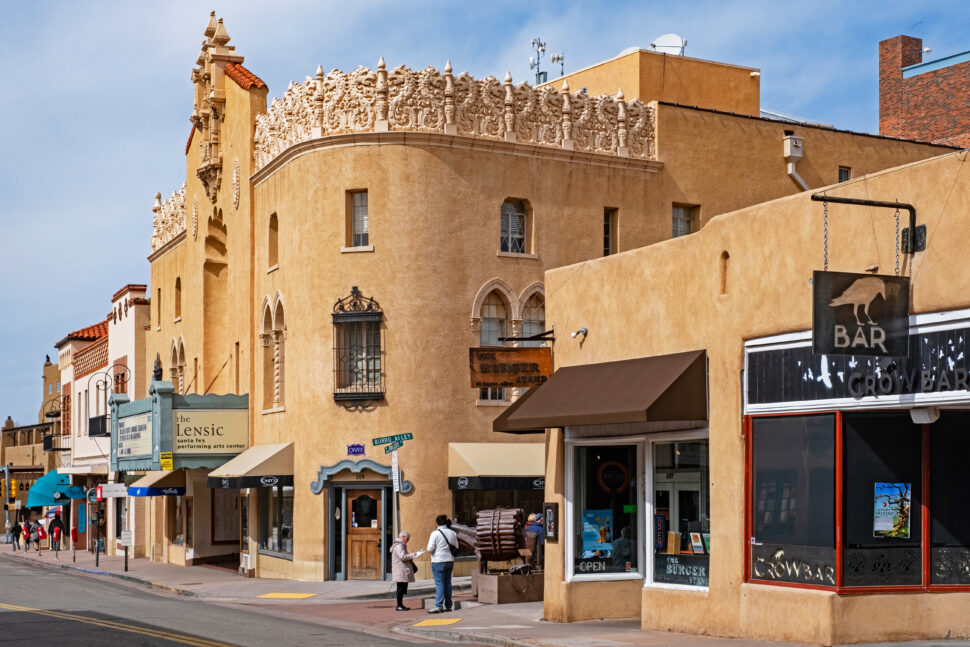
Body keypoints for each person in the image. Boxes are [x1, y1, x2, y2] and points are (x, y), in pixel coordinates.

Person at [426, 514, 457, 613]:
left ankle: (438, 605)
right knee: (447, 583)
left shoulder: (435, 533)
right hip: (450, 560)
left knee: (439, 584)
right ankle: (448, 605)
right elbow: (457, 545)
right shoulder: (453, 533)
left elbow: (430, 548)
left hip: (438, 560)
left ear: (437, 523)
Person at [390, 531, 423, 611]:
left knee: (401, 588)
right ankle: (399, 605)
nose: (407, 540)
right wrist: (413, 555)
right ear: (403, 537)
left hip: (401, 569)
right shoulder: (399, 546)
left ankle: (400, 605)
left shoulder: (401, 545)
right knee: (400, 588)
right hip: (400, 570)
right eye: (407, 538)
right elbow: (403, 557)